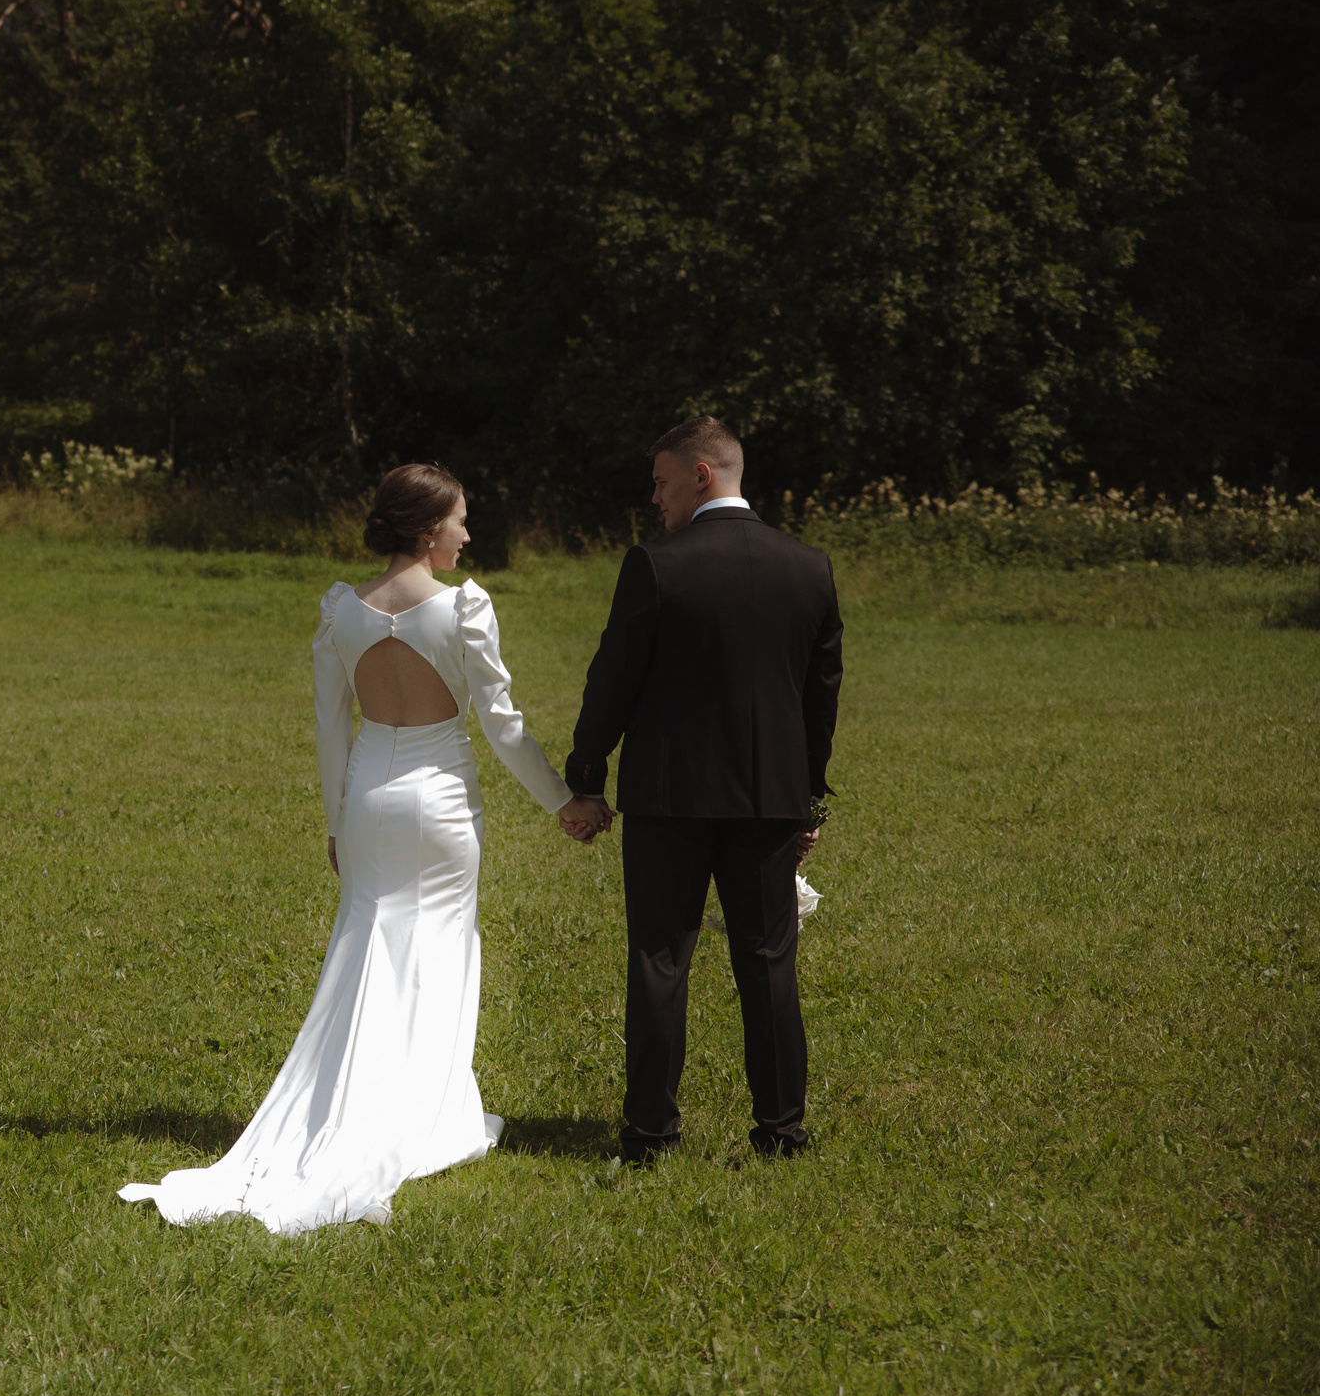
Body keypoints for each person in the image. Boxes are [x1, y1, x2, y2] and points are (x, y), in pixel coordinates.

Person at [119, 463, 589, 1233]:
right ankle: (429, 1111)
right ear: (427, 527)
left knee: (365, 946)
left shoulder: (343, 610)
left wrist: (335, 821)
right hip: (440, 802)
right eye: (461, 520)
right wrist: (562, 801)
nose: (468, 534)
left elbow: (330, 725)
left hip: (369, 793)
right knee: (440, 949)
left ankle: (374, 1102)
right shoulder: (464, 608)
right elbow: (502, 727)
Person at [562, 416, 844, 1164]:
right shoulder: (809, 566)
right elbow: (821, 696)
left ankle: (649, 1135)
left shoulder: (656, 565)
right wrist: (807, 799)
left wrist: (586, 775)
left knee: (660, 959)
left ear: (700, 474)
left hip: (669, 797)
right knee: (769, 960)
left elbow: (612, 680)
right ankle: (783, 1131)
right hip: (768, 800)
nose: (652, 498)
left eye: (659, 481)